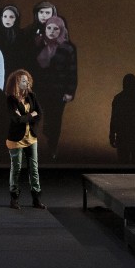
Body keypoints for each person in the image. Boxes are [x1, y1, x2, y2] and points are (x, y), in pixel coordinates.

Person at [30, 15, 77, 161]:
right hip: (39, 90)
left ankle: (52, 149)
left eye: (56, 29)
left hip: (58, 91)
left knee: (55, 121)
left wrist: (69, 92)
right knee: (35, 118)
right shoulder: (37, 45)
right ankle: (33, 150)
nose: (51, 31)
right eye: (49, 28)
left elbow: (72, 71)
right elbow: (31, 68)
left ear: (61, 30)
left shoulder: (68, 48)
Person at [4, 70, 46, 210]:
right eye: (23, 80)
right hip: (16, 139)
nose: (26, 83)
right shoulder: (11, 99)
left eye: (27, 80)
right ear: (16, 83)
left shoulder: (32, 96)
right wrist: (31, 115)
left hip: (31, 137)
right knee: (16, 169)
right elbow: (16, 119)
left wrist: (25, 116)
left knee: (34, 169)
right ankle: (14, 198)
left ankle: (36, 199)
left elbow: (40, 114)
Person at [110, 73, 135, 165]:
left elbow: (114, 119)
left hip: (122, 136)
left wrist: (112, 136)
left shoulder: (118, 99)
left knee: (123, 164)